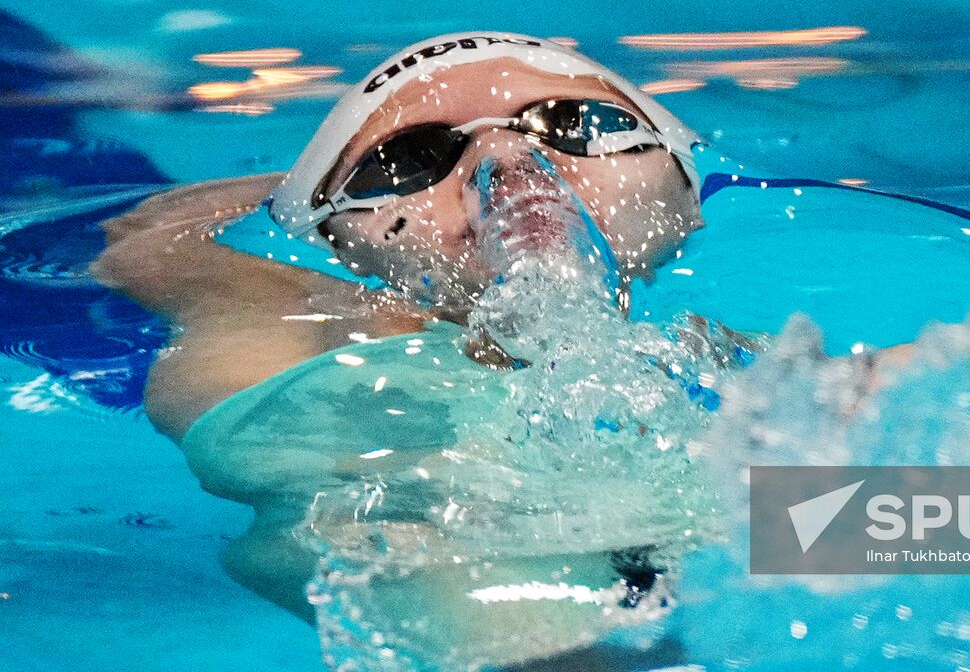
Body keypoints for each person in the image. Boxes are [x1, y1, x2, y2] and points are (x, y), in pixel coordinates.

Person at [92, 33, 789, 668]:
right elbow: (143, 245)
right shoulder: (313, 350)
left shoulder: (771, 355)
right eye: (408, 159)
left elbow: (857, 554)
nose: (509, 162)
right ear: (339, 245)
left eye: (575, 124)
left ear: (688, 193)